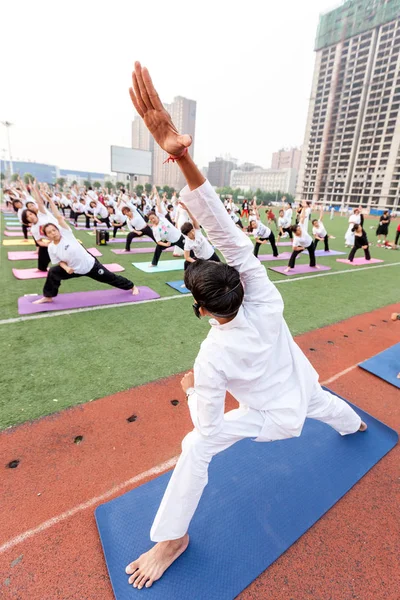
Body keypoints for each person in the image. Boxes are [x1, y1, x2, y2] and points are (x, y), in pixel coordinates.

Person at [124, 62, 366, 590]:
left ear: (206, 310)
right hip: (301, 383)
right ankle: (356, 426)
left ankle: (172, 538)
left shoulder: (212, 358)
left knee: (197, 446)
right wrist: (183, 157)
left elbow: (208, 426)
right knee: (327, 406)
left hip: (272, 415)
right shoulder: (263, 293)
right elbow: (222, 226)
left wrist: (191, 392)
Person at [32, 191, 139, 304]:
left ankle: (132, 286)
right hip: (73, 269)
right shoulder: (51, 247)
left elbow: (59, 217)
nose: (53, 233)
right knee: (53, 272)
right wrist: (66, 268)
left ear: (58, 230)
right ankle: (48, 296)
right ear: (47, 236)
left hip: (90, 265)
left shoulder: (67, 234)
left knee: (110, 277)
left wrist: (50, 201)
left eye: (54, 230)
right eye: (49, 232)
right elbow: (59, 262)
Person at [21, 188, 58, 271]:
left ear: (34, 213)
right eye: (27, 217)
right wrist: (48, 245)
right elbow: (39, 241)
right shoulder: (33, 229)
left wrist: (35, 189)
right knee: (43, 250)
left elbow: (39, 202)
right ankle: (42, 268)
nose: (30, 217)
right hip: (52, 240)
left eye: (30, 214)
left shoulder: (42, 214)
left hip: (61, 234)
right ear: (26, 220)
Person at [179, 202, 220, 268]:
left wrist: (187, 210)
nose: (192, 233)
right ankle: (187, 277)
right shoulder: (187, 243)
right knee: (186, 263)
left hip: (211, 255)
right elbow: (187, 257)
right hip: (200, 259)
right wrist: (196, 262)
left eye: (192, 230)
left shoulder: (197, 231)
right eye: (190, 233)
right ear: (186, 235)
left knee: (221, 269)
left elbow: (193, 219)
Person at [284, 203, 317, 272]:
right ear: (295, 232)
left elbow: (302, 217)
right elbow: (294, 248)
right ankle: (289, 267)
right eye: (298, 230)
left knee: (312, 254)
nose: (300, 230)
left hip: (310, 243)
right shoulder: (296, 238)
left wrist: (304, 207)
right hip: (301, 245)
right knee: (293, 255)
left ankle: (313, 264)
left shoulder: (300, 226)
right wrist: (302, 248)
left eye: (299, 228)